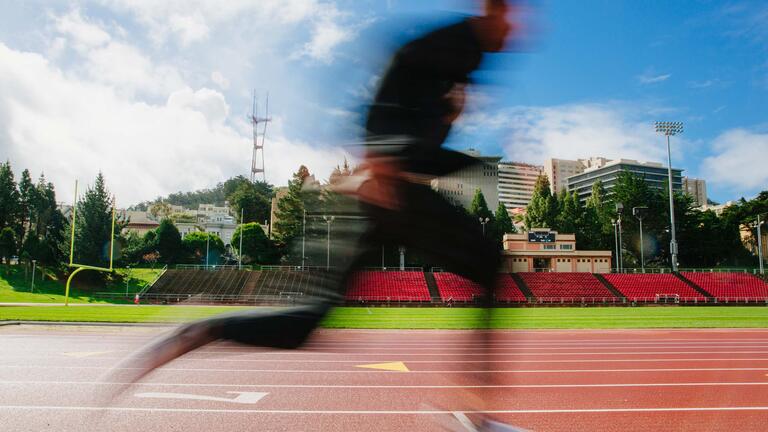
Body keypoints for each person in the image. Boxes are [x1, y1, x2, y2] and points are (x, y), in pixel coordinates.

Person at [117, 1, 520, 429]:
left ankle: (203, 329)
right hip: (389, 189)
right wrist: (381, 154)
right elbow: (398, 61)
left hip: (377, 196)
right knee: (490, 263)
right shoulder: (457, 43)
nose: (516, 34)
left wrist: (462, 156)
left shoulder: (466, 63)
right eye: (514, 18)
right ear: (495, 10)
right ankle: (478, 415)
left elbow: (423, 149)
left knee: (303, 327)